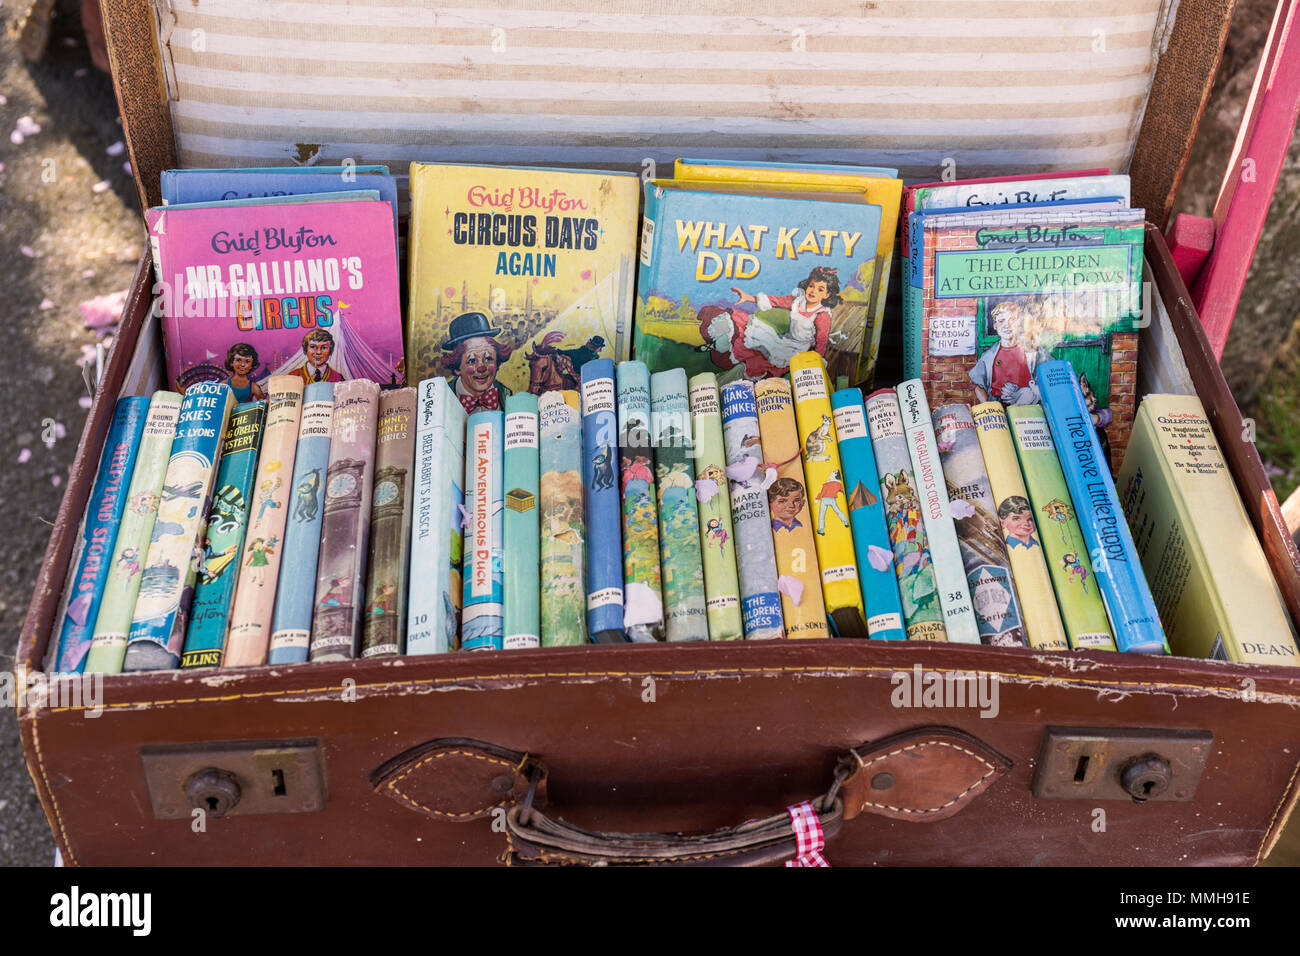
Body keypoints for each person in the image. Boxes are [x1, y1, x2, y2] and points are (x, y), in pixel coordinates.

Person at [697, 266, 839, 378]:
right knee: (751, 331)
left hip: (799, 349)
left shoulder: (822, 314)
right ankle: (719, 344)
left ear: (827, 295)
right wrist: (748, 297)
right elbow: (775, 301)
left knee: (765, 360)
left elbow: (821, 342)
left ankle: (740, 369)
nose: (813, 291)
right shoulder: (798, 301)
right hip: (785, 339)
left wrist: (814, 363)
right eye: (812, 286)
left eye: (820, 289)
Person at [969, 300, 1053, 406]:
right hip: (999, 408)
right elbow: (978, 386)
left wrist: (1032, 392)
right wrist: (988, 406)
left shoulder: (1033, 351)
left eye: (1012, 320)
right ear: (995, 325)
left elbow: (1051, 373)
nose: (1007, 325)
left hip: (1028, 407)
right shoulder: (988, 356)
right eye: (1001, 321)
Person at [441, 312, 512, 413]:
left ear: (497, 362)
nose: (481, 368)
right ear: (457, 368)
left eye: (488, 358)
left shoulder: (506, 395)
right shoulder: (443, 397)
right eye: (472, 361)